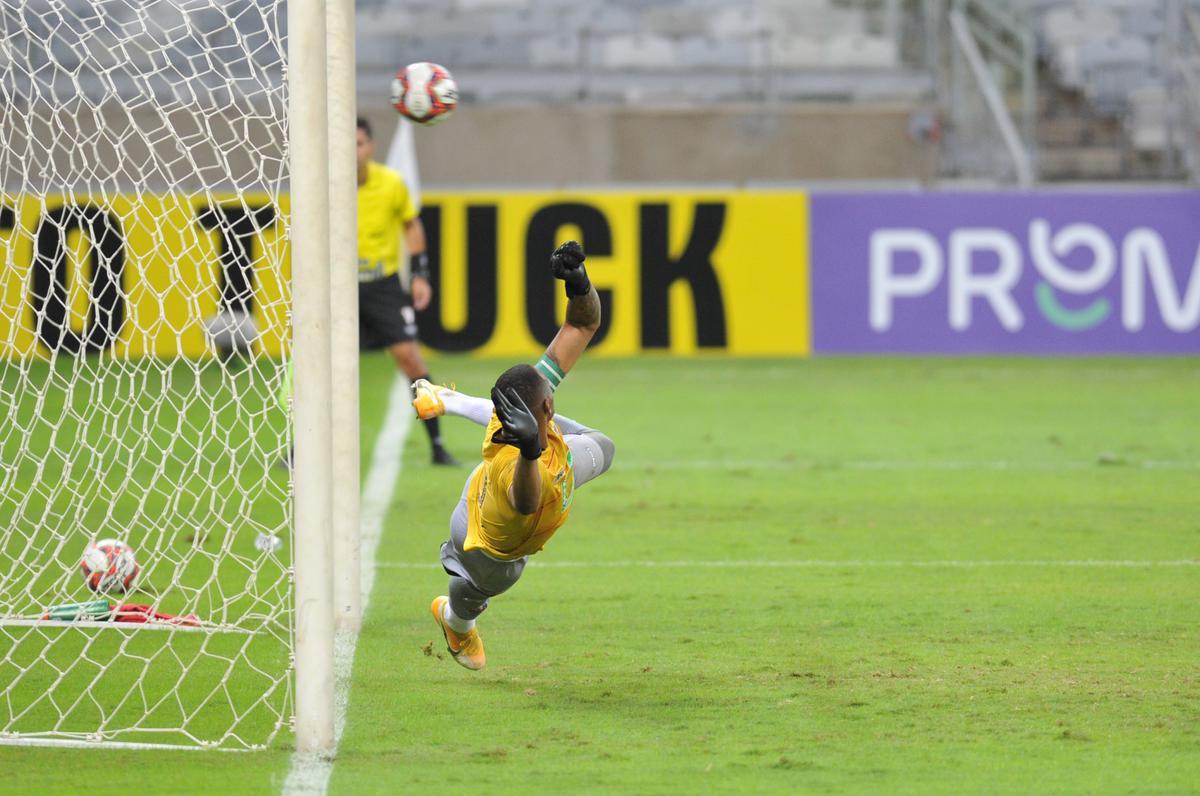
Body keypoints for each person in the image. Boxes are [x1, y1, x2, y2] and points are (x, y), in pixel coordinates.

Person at [411, 241, 614, 670]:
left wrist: (579, 283)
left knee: (604, 447)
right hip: (487, 547)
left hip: (523, 457)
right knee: (472, 593)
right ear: (548, 407)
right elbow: (525, 501)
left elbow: (582, 326)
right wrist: (528, 450)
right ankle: (455, 624)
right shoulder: (512, 465)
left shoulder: (517, 408)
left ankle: (449, 398)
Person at [356, 116, 457, 465]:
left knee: (411, 360)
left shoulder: (391, 184)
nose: (354, 152)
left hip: (382, 286)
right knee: (321, 367)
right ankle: (299, 449)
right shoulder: (327, 184)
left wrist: (419, 274)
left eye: (359, 144)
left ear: (370, 147)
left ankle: (438, 445)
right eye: (347, 145)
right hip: (339, 288)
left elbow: (411, 227)